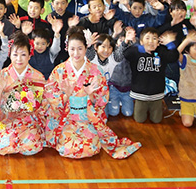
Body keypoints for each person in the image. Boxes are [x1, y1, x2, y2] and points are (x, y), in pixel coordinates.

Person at [44, 28, 141, 159]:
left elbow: (102, 99)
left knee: (90, 148)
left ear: (86, 48)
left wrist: (90, 95)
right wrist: (66, 95)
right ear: (66, 48)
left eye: (80, 48)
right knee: (67, 148)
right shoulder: (59, 70)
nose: (76, 53)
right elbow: (50, 95)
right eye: (72, 49)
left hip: (88, 117)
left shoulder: (95, 71)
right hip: (66, 118)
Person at [0, 32, 45, 155]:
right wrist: (0, 89)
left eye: (23, 54)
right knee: (6, 145)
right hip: (7, 120)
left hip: (29, 120)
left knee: (32, 145)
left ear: (29, 55)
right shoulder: (3, 75)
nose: (19, 59)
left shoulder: (37, 76)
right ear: (10, 55)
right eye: (15, 54)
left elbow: (43, 106)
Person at [123, 27, 179, 124]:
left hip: (156, 93)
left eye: (154, 38)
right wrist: (139, 47)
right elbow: (126, 54)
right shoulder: (137, 52)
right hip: (140, 93)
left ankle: (152, 110)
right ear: (141, 41)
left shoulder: (161, 51)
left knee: (157, 120)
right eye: (147, 38)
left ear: (158, 42)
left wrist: (170, 44)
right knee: (139, 120)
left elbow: (173, 57)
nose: (151, 41)